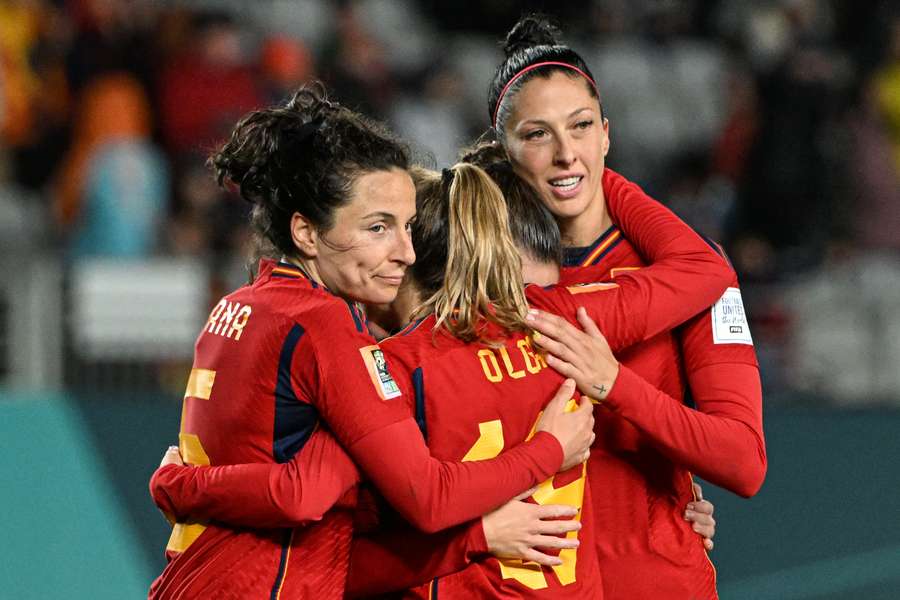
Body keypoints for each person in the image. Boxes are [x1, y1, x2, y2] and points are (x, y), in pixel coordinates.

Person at [152, 154, 734, 598]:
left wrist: (184, 486)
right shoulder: (562, 322)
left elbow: (333, 558)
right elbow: (705, 270)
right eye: (382, 231)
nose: (393, 254)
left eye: (399, 235)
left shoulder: (390, 373)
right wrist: (590, 162)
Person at [148, 84, 596, 600]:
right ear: (306, 233)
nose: (404, 251)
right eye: (378, 227)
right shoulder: (325, 325)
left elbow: (303, 492)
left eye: (406, 227)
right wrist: (549, 449)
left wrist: (181, 486)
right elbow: (424, 496)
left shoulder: (238, 307)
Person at [486, 16, 767, 599]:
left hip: (656, 582)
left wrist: (617, 385)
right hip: (521, 585)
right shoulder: (473, 278)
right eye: (537, 135)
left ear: (606, 135)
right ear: (501, 151)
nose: (566, 154)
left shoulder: (689, 272)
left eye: (581, 127)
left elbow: (743, 460)